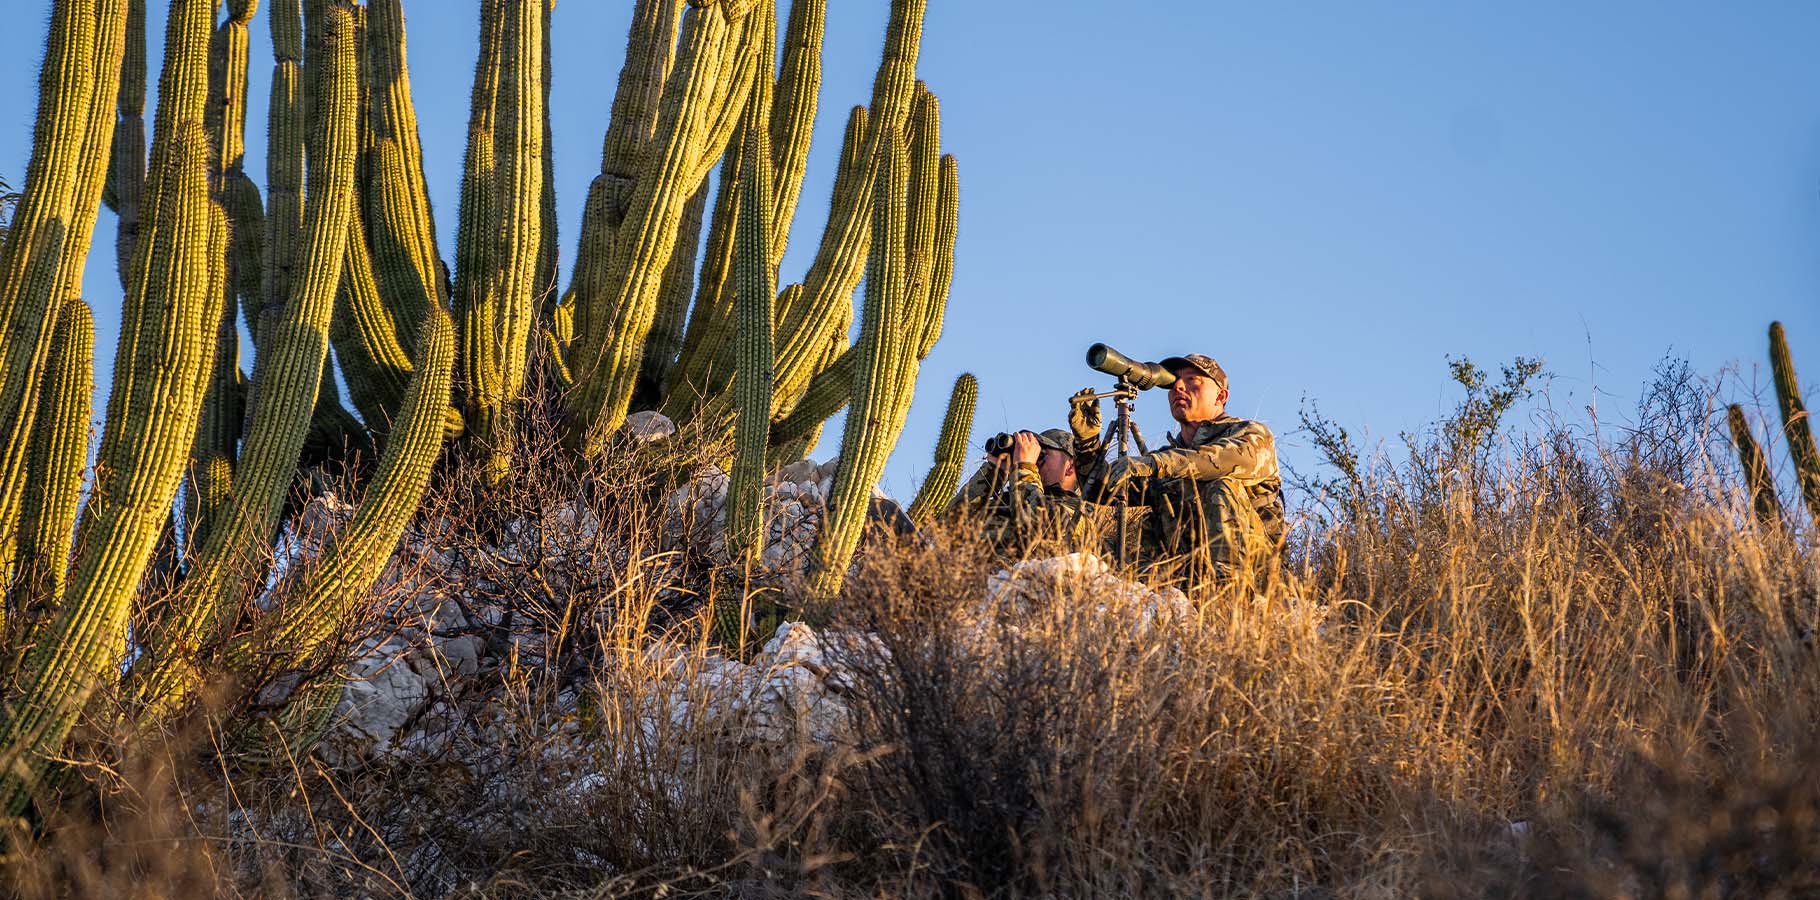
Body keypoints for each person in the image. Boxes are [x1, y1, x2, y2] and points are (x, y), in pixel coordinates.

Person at [1072, 353, 1284, 586]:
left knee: (1221, 486)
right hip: (1185, 578)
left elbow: (1216, 461)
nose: (1179, 387)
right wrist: (1087, 444)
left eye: (1194, 380)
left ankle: (1230, 601)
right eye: (1173, 383)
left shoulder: (1252, 434)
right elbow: (1102, 490)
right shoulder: (1169, 455)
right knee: (1106, 541)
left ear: (1221, 396)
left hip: (1256, 574)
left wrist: (1155, 464)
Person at [946, 428, 1093, 554]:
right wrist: (994, 472)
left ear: (1070, 467)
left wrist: (1025, 466)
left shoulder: (1077, 512)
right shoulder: (1006, 501)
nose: (1035, 459)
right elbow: (945, 529)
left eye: (1042, 453)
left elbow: (1035, 525)